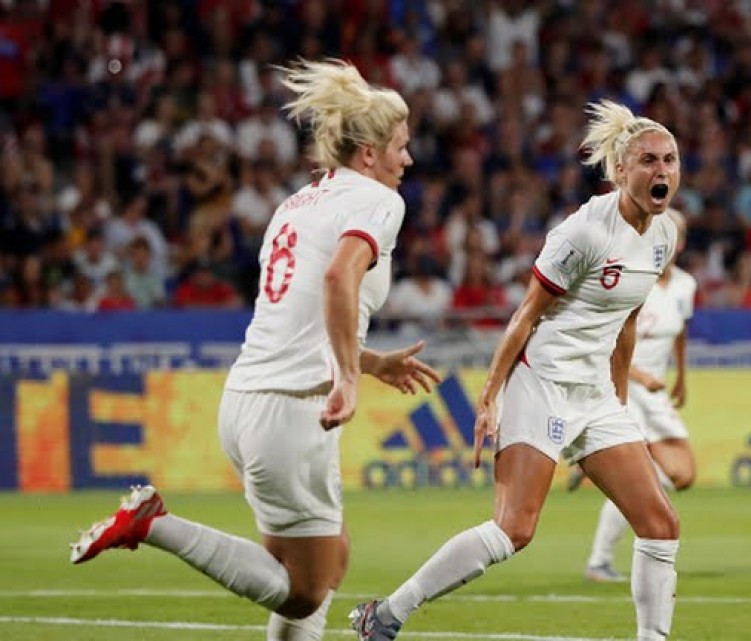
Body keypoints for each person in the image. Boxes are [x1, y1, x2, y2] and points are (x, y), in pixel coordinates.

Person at [69, 59, 442, 641]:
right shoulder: (378, 200)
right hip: (292, 411)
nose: (408, 160)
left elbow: (300, 314)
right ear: (367, 153)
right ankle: (154, 524)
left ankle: (152, 522)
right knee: (304, 591)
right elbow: (340, 279)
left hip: (250, 402)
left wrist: (368, 363)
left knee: (327, 559)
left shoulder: (295, 205)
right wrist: (348, 375)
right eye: (400, 146)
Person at [349, 100, 683, 641]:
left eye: (669, 160)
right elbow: (526, 314)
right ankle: (385, 615)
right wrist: (490, 397)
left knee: (661, 526)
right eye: (648, 160)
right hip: (543, 383)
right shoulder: (585, 232)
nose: (661, 170)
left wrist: (618, 402)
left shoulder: (663, 235)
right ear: (621, 170)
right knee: (514, 529)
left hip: (594, 393)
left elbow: (627, 319)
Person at [578, 208, 698, 583]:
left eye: (676, 235)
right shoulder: (632, 279)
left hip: (657, 391)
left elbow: (680, 332)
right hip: (625, 387)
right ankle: (599, 560)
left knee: (682, 473)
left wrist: (681, 376)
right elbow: (607, 339)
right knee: (661, 474)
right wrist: (640, 376)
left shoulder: (685, 285)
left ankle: (610, 480)